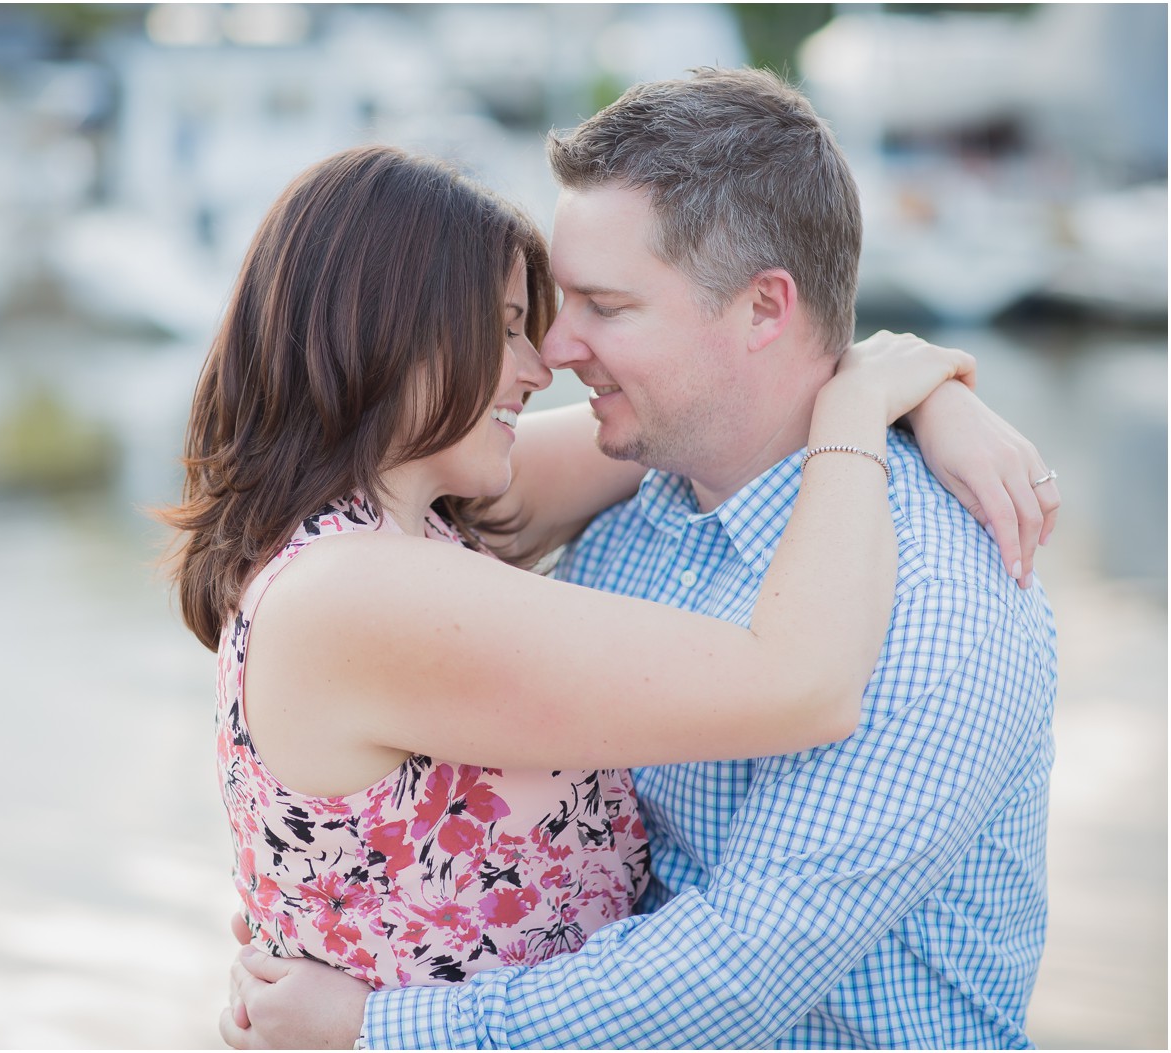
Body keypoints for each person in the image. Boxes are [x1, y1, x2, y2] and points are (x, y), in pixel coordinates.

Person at [222, 69, 1059, 1049]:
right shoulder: (622, 508)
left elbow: (738, 971)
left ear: (761, 310)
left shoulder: (935, 584)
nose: (555, 349)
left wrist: (379, 1028)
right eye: (535, 312)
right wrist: (875, 388)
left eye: (603, 306)